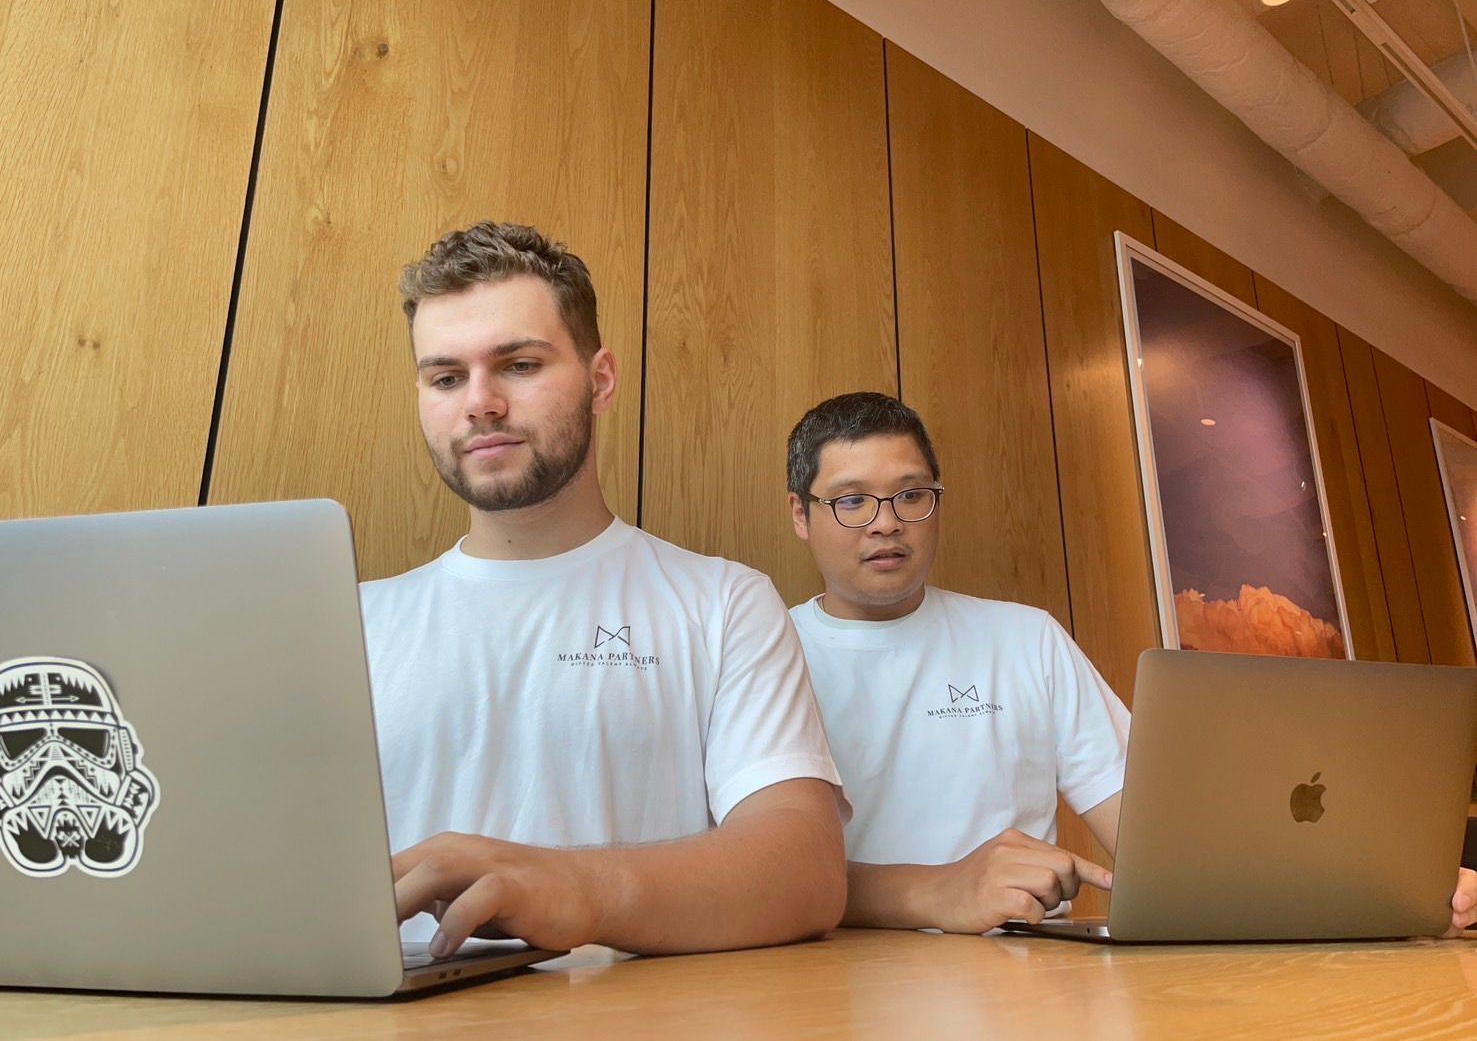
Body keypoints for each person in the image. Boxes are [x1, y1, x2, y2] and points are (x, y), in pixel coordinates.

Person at [785, 392, 1477, 936]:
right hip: (836, 975)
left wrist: (1385, 885)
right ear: (800, 514)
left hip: (1025, 971)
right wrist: (932, 891)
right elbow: (749, 870)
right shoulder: (766, 652)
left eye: (910, 494)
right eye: (850, 500)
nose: (885, 521)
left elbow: (1162, 842)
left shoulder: (1023, 638)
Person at [362, 222, 847, 959]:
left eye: (518, 365)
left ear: (601, 379)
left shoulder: (722, 603)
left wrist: (577, 891)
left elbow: (805, 871)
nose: (480, 403)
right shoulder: (355, 623)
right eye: (446, 378)